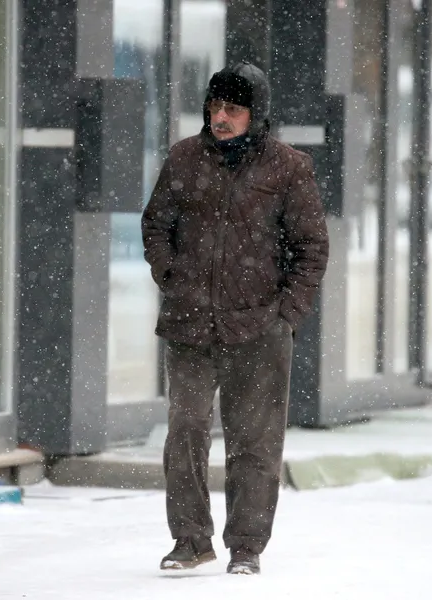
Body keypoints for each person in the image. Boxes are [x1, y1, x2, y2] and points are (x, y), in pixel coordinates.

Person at [140, 61, 330, 575]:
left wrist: (286, 314)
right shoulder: (184, 159)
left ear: (256, 114)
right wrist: (172, 275)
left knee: (255, 443)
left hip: (260, 328)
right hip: (190, 325)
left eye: (233, 109)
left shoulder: (288, 168)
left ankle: (246, 546)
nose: (220, 117)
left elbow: (311, 249)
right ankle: (190, 539)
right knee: (185, 430)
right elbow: (156, 224)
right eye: (214, 106)